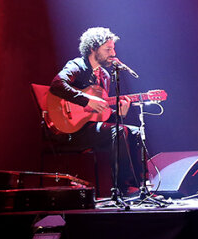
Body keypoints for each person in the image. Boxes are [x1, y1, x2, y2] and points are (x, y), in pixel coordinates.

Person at [47, 26, 145, 197]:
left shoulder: (105, 76)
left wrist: (119, 114)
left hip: (92, 128)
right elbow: (57, 85)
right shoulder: (77, 65)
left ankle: (139, 186)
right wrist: (86, 100)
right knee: (119, 131)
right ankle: (123, 187)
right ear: (93, 49)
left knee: (135, 131)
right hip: (71, 131)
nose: (113, 53)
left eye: (113, 49)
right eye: (108, 49)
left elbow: (101, 113)